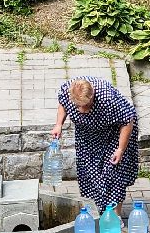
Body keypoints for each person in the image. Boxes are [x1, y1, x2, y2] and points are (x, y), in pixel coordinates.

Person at [51, 77, 140, 213]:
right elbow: (63, 103)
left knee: (113, 172)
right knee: (87, 172)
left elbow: (127, 121)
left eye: (85, 105)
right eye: (77, 106)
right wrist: (58, 124)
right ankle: (95, 211)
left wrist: (120, 149)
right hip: (87, 134)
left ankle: (115, 217)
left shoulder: (108, 98)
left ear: (92, 96)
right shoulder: (67, 90)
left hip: (115, 133)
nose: (81, 110)